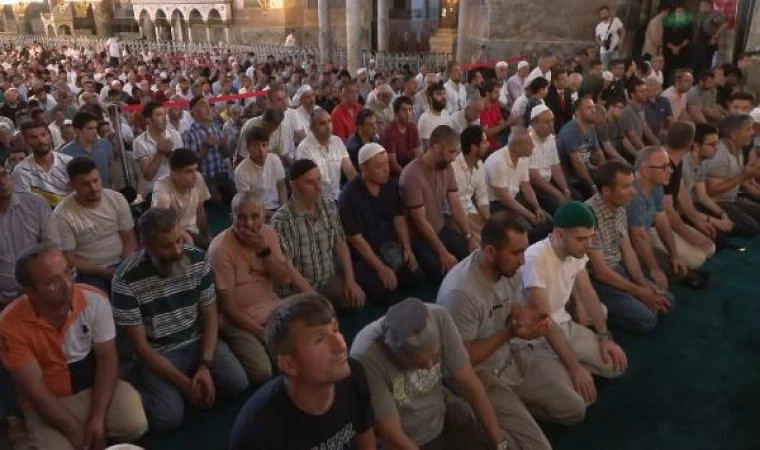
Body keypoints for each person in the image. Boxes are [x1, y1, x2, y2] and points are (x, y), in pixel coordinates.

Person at [438, 213, 576, 449]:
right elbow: (463, 360)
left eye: (524, 250)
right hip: (477, 374)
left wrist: (523, 321)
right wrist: (511, 332)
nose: (523, 261)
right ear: (491, 252)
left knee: (574, 409)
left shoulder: (509, 270)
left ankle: (510, 408)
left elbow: (513, 310)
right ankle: (476, 412)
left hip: (508, 355)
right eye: (516, 253)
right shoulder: (461, 294)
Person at [112, 208, 249, 431]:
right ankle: (137, 381)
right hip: (159, 353)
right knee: (169, 418)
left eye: (178, 240)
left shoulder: (197, 259)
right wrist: (185, 385)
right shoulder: (125, 279)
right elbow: (140, 347)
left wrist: (205, 365)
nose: (177, 250)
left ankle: (189, 381)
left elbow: (211, 317)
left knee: (238, 383)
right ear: (145, 245)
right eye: (167, 246)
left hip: (196, 341)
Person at [0, 244, 147, 450]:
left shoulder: (94, 299)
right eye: (53, 281)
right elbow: (35, 390)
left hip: (91, 389)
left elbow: (107, 359)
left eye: (68, 272)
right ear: (29, 291)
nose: (67, 284)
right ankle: (18, 426)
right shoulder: (9, 325)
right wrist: (74, 430)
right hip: (48, 401)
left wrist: (97, 416)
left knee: (135, 424)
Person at [350, 298, 510, 450]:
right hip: (410, 440)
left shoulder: (439, 317)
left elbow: (471, 385)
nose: (430, 366)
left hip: (441, 413)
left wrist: (499, 443)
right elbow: (393, 437)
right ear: (396, 353)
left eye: (435, 356)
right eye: (420, 363)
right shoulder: (366, 357)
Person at [229, 293, 376, 450]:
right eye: (320, 339)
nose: (340, 346)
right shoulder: (257, 429)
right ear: (289, 364)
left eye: (335, 329)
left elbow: (365, 440)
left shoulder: (353, 374)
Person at [522, 202, 628, 416]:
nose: (588, 244)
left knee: (616, 367)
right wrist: (575, 368)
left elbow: (587, 292)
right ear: (560, 234)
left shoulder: (576, 252)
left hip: (564, 325)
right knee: (580, 401)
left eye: (590, 237)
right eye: (582, 239)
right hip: (537, 339)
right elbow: (544, 321)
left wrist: (605, 336)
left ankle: (567, 365)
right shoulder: (535, 259)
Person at [209, 192, 310, 385]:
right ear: (231, 218)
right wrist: (261, 334)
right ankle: (229, 345)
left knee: (304, 345)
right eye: (241, 217)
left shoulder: (268, 234)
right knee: (261, 372)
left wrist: (263, 249)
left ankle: (270, 345)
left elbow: (284, 279)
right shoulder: (219, 249)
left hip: (272, 309)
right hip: (238, 320)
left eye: (255, 216)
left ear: (264, 216)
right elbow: (228, 307)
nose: (248, 223)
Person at [585, 160, 675, 333]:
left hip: (618, 269)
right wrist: (640, 293)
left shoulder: (619, 207)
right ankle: (597, 309)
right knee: (647, 320)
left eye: (631, 185)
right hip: (598, 280)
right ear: (606, 191)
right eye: (626, 187)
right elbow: (600, 271)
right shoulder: (589, 216)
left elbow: (628, 251)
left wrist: (642, 284)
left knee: (667, 301)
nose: (633, 192)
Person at [271, 159, 365, 309]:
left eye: (319, 180)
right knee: (314, 320)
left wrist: (350, 280)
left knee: (357, 299)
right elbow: (286, 266)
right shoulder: (282, 220)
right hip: (298, 288)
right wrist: (313, 297)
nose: (318, 187)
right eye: (310, 182)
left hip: (327, 279)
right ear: (294, 186)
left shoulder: (328, 206)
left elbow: (340, 244)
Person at [338, 143, 422, 301]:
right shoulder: (349, 197)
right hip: (364, 256)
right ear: (364, 169)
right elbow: (356, 240)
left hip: (389, 248)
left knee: (414, 277)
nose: (386, 170)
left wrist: (407, 249)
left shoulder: (390, 186)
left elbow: (399, 219)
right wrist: (380, 268)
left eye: (387, 164)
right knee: (386, 291)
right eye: (379, 167)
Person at [400, 125, 475, 282]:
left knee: (473, 257)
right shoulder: (411, 175)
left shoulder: (446, 168)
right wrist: (443, 252)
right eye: (452, 152)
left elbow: (455, 204)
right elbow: (420, 221)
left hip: (441, 229)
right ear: (437, 148)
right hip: (421, 238)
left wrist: (469, 236)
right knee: (445, 272)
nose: (455, 158)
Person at [55, 157, 137, 295]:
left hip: (122, 261)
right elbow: (70, 258)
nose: (93, 188)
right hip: (90, 271)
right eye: (85, 184)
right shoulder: (62, 214)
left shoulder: (116, 198)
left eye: (96, 180)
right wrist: (105, 272)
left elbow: (129, 239)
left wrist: (124, 267)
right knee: (100, 301)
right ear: (72, 186)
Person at [0, 162, 60, 305]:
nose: (2, 182)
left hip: (40, 290)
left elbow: (52, 248)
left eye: (4, 175)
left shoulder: (35, 204)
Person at [660, 122, 717, 271]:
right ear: (691, 143)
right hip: (653, 224)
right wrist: (687, 234)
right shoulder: (664, 164)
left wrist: (698, 221)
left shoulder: (676, 161)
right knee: (698, 258)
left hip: (668, 217)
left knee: (709, 248)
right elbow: (667, 209)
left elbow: (681, 194)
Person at [485, 126, 553, 243]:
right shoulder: (498, 162)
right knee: (528, 229)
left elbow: (526, 186)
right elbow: (505, 199)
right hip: (497, 204)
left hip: (515, 198)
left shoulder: (522, 157)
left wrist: (536, 207)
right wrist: (529, 215)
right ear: (517, 148)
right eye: (528, 144)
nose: (533, 146)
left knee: (548, 221)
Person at [705, 115, 760, 234]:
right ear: (734, 134)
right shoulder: (719, 153)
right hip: (717, 201)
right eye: (748, 129)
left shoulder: (738, 148)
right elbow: (712, 190)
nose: (753, 132)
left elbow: (743, 178)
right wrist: (743, 176)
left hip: (731, 198)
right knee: (752, 228)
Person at [685, 123, 741, 236]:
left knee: (736, 227)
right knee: (719, 237)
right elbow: (683, 207)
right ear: (696, 146)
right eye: (712, 144)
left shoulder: (702, 162)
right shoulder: (684, 166)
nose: (717, 148)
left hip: (693, 207)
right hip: (682, 212)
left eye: (717, 144)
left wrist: (721, 213)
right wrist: (714, 221)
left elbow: (702, 196)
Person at [152, 148, 212, 249]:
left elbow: (200, 211)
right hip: (170, 235)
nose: (195, 175)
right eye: (189, 171)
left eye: (196, 169)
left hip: (193, 233)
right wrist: (187, 237)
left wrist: (207, 237)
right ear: (174, 174)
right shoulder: (162, 187)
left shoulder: (198, 178)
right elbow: (162, 223)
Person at [295, 109, 357, 202]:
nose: (328, 127)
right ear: (312, 128)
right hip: (317, 201)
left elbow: (350, 172)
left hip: (338, 197)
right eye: (322, 123)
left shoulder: (337, 141)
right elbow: (307, 185)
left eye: (329, 121)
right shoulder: (305, 149)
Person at [182, 96, 235, 205]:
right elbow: (190, 164)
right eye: (203, 105)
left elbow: (226, 155)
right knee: (217, 202)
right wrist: (204, 148)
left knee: (236, 198)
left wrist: (224, 146)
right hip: (204, 179)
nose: (208, 108)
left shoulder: (216, 128)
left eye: (208, 104)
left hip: (222, 175)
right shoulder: (190, 133)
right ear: (193, 113)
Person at [528, 104, 576, 215]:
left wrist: (565, 189)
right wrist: (557, 193)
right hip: (536, 186)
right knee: (557, 204)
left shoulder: (549, 137)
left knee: (575, 196)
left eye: (552, 121)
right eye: (546, 122)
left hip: (549, 181)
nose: (551, 126)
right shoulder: (528, 140)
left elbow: (556, 167)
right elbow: (534, 177)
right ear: (534, 124)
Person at [133, 101, 184, 203]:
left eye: (165, 114)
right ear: (148, 120)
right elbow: (148, 176)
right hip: (153, 193)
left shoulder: (175, 135)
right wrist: (160, 153)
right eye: (159, 115)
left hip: (175, 188)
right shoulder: (139, 142)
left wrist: (170, 154)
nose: (165, 118)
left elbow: (182, 166)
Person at [13, 120, 73, 207]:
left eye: (43, 135)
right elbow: (25, 207)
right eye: (34, 137)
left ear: (49, 135)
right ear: (26, 141)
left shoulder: (69, 163)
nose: (40, 140)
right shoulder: (21, 171)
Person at [558, 97, 606, 199]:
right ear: (577, 112)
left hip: (585, 171)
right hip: (571, 179)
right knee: (587, 196)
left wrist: (605, 174)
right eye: (589, 108)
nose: (593, 110)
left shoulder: (590, 128)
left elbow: (598, 154)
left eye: (593, 107)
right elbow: (577, 165)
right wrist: (593, 186)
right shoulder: (570, 131)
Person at [234, 125, 287, 215]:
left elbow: (282, 187)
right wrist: (269, 214)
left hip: (277, 207)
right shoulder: (241, 170)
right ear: (248, 149)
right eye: (255, 146)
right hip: (255, 210)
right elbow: (247, 201)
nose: (261, 150)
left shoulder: (274, 159)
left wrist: (283, 211)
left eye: (264, 145)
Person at [453, 125, 491, 246]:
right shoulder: (453, 167)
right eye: (484, 142)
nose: (488, 145)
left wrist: (489, 222)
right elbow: (454, 208)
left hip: (472, 212)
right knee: (484, 245)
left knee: (497, 238)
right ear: (474, 147)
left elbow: (482, 197)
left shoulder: (480, 165)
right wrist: (479, 229)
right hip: (455, 218)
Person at [61, 111, 114, 189]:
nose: (95, 132)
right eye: (90, 128)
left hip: (106, 193)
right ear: (78, 131)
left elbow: (111, 166)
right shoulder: (65, 152)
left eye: (96, 128)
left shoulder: (105, 145)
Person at [381, 96, 422, 175]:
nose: (408, 113)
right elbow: (393, 164)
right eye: (404, 110)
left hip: (409, 167)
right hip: (394, 173)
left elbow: (417, 153)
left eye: (410, 109)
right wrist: (407, 176)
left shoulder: (412, 127)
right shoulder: (389, 132)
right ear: (396, 113)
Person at [417, 82, 452, 150]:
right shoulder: (425, 119)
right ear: (430, 98)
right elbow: (428, 149)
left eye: (444, 93)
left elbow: (450, 138)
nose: (443, 97)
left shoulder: (446, 114)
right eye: (438, 94)